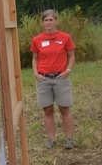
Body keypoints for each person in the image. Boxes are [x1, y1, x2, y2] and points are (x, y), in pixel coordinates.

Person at [31, 9, 75, 149]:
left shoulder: (65, 37)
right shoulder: (37, 40)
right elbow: (35, 58)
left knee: (64, 108)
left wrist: (68, 70)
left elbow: (71, 55)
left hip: (60, 77)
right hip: (44, 79)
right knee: (48, 110)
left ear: (56, 21)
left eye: (51, 20)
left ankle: (69, 139)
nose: (49, 23)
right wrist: (36, 73)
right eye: (46, 20)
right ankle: (51, 139)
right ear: (43, 22)